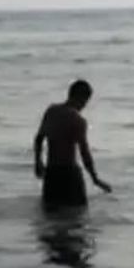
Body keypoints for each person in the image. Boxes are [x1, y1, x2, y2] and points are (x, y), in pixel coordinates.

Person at [34, 79, 113, 209]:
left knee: (51, 215)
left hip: (52, 173)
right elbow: (84, 152)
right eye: (86, 102)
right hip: (69, 174)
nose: (84, 106)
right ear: (82, 98)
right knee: (77, 218)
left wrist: (38, 162)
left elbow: (39, 138)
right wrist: (95, 179)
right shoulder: (78, 120)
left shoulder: (51, 112)